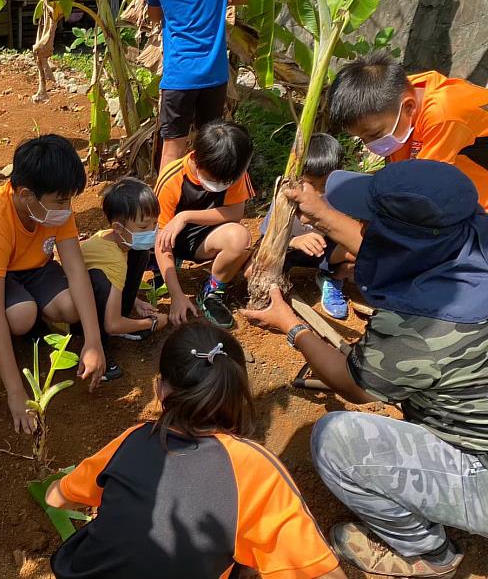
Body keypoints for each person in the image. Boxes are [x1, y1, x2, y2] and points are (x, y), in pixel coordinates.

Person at [242, 159, 488, 577]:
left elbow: (352, 385)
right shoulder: (468, 238)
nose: (362, 226)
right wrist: (320, 212)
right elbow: (402, 247)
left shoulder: (422, 326)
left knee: (335, 441)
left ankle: (427, 553)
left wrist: (292, 326)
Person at [45, 321, 346, 579]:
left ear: (160, 389)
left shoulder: (133, 439)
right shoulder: (254, 468)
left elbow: (57, 497)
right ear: (236, 391)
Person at [0, 135, 105, 434]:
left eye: (69, 199)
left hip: (30, 264)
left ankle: (32, 312)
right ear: (25, 195)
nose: (67, 208)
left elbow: (76, 270)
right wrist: (16, 393)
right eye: (60, 201)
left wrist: (93, 341)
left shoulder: (54, 210)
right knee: (20, 315)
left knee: (70, 306)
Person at [328, 51, 488, 210]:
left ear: (409, 107)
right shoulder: (393, 96)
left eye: (375, 135)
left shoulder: (443, 115)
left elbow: (424, 182)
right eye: (362, 138)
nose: (370, 145)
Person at [154, 120, 255, 328]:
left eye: (226, 182)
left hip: (206, 238)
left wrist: (185, 217)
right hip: (171, 240)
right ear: (197, 158)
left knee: (241, 239)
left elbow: (235, 212)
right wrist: (176, 294)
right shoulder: (172, 178)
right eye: (213, 179)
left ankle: (211, 291)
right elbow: (160, 240)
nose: (220, 186)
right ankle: (163, 269)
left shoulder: (234, 173)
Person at [147, 0, 248, 171]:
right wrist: (216, 0)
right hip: (214, 74)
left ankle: (165, 201)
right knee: (211, 146)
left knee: (172, 150)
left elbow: (154, 14)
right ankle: (207, 199)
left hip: (179, 75)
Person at [258, 133, 351, 319]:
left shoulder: (342, 195)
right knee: (252, 269)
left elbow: (349, 232)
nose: (316, 192)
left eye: (324, 185)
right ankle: (275, 285)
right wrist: (294, 241)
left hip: (323, 251)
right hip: (288, 251)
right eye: (309, 184)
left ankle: (332, 278)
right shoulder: (286, 196)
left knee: (359, 248)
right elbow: (265, 240)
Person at [80, 178, 168, 341]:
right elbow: (112, 324)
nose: (152, 231)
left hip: (92, 299)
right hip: (83, 319)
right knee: (104, 279)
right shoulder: (114, 260)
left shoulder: (108, 237)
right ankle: (101, 343)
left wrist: (135, 302)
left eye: (155, 224)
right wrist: (151, 322)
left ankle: (122, 312)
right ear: (118, 228)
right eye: (143, 227)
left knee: (140, 254)